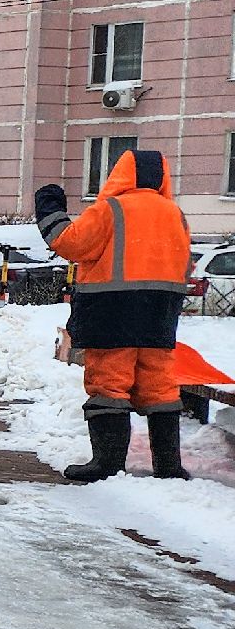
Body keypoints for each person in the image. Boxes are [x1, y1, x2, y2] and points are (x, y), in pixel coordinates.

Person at [36, 149, 192, 481]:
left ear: (120, 174)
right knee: (159, 385)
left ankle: (107, 464)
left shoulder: (112, 209)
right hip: (160, 314)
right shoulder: (174, 213)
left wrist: (49, 206)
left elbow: (69, 243)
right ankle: (169, 466)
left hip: (112, 311)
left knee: (109, 381)